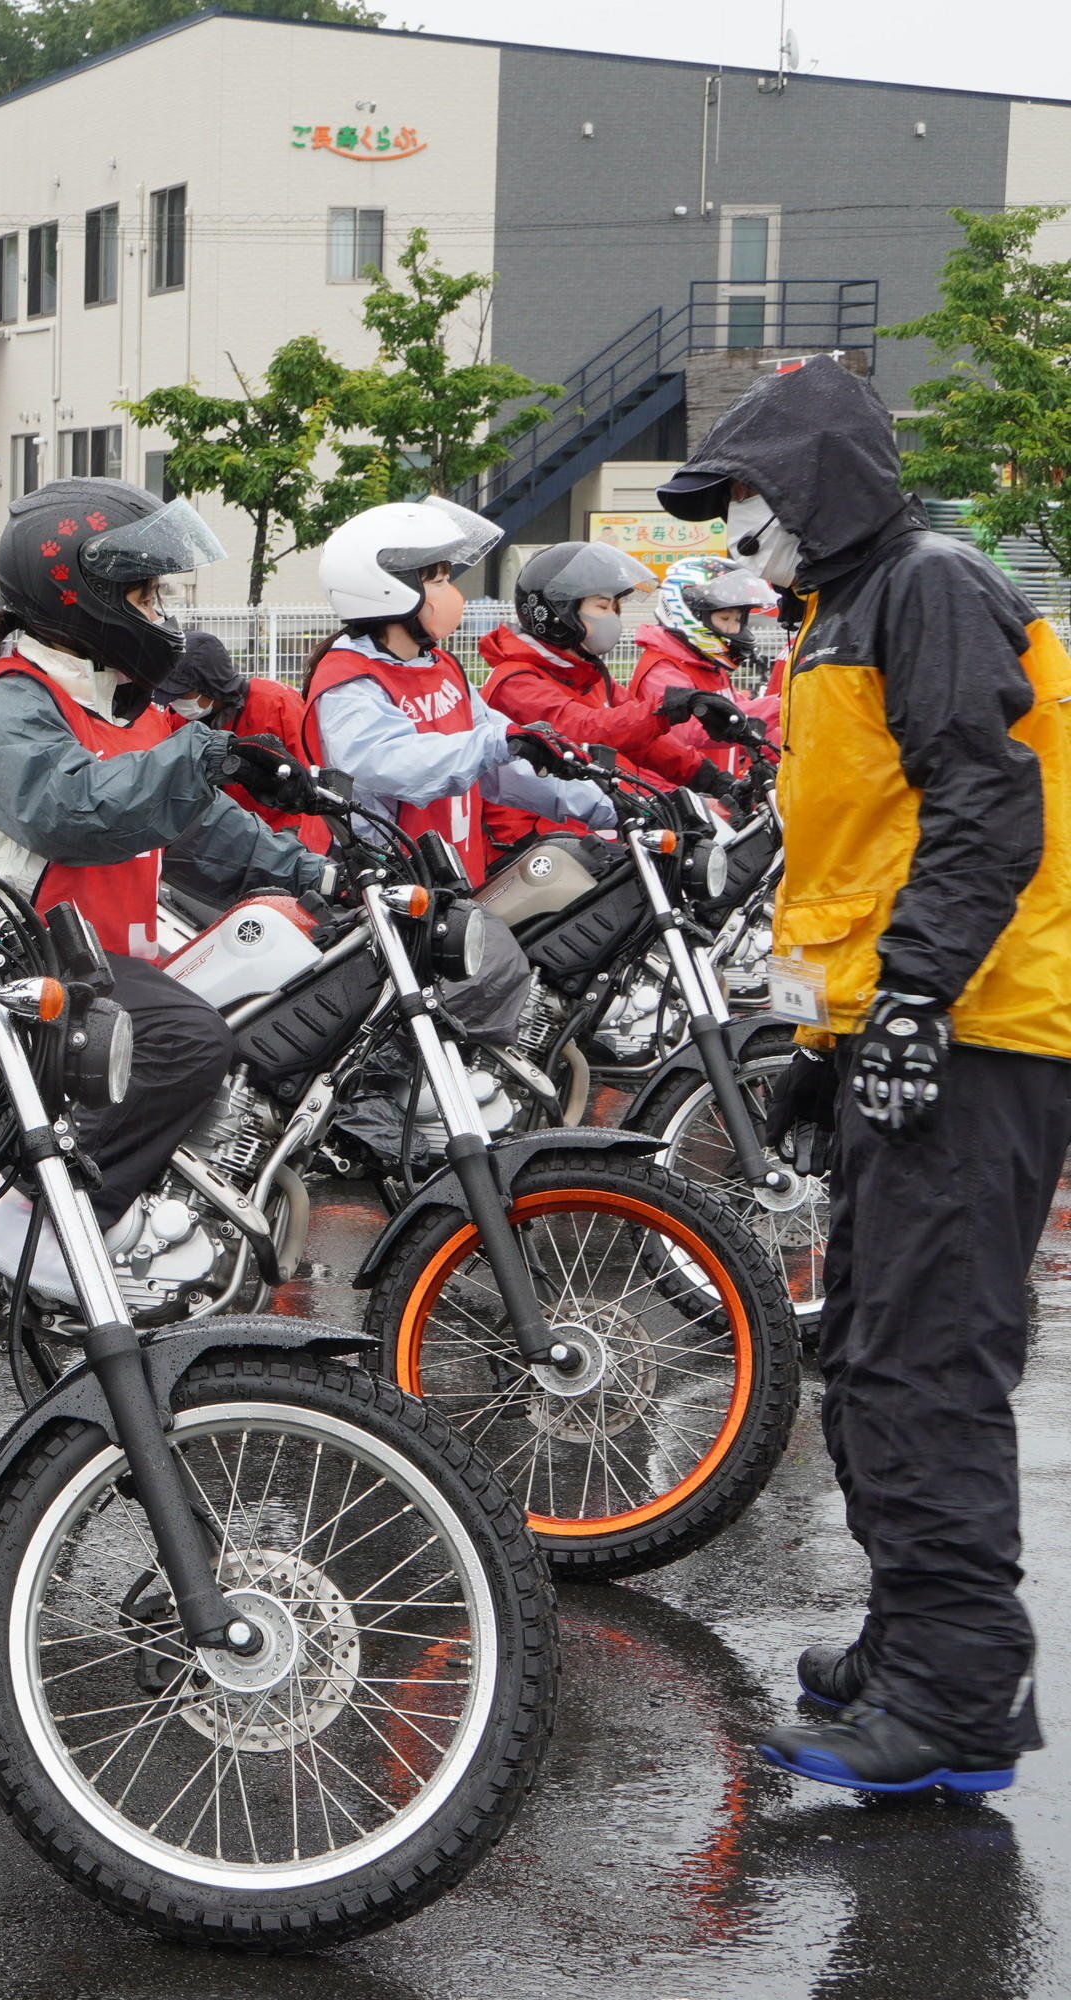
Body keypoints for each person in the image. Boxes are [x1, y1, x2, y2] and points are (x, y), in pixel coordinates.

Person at [657, 358, 1071, 1797]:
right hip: (927, 1034)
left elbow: (984, 802)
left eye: (755, 493)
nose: (742, 526)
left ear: (819, 480)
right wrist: (833, 1050)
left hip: (980, 1037)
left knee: (926, 1372)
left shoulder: (930, 588)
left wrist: (908, 1005)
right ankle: (913, 1649)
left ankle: (953, 1711)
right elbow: (868, 851)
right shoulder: (846, 611)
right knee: (877, 1362)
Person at [0, 477, 329, 1215]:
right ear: (81, 595)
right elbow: (67, 810)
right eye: (145, 596)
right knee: (185, 1042)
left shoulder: (120, 700)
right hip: (19, 961)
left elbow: (201, 821)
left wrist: (319, 869)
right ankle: (52, 1222)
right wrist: (201, 757)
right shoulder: (7, 700)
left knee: (269, 993)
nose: (161, 614)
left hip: (100, 958)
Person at [306, 498, 615, 882]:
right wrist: (498, 743)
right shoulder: (348, 680)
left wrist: (608, 801)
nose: (452, 594)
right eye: (437, 581)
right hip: (386, 892)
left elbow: (506, 768)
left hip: (453, 883)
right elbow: (391, 764)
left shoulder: (442, 667)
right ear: (387, 589)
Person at [475, 540, 733, 849]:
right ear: (558, 611)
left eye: (614, 607)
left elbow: (644, 739)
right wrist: (671, 707)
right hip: (534, 842)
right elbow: (584, 729)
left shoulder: (587, 673)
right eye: (601, 606)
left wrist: (707, 777)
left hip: (593, 827)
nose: (612, 616)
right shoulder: (516, 681)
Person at [148, 627, 328, 852]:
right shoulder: (177, 718)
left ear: (209, 684)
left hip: (284, 835)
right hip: (219, 839)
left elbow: (313, 772)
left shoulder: (275, 703)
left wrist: (296, 840)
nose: (174, 703)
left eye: (181, 694)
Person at [631, 554, 784, 781]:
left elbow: (742, 717)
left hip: (721, 789)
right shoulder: (662, 668)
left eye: (738, 620)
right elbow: (693, 730)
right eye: (725, 618)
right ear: (690, 614)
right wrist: (784, 704)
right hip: (677, 796)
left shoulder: (708, 664)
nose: (733, 629)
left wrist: (797, 746)